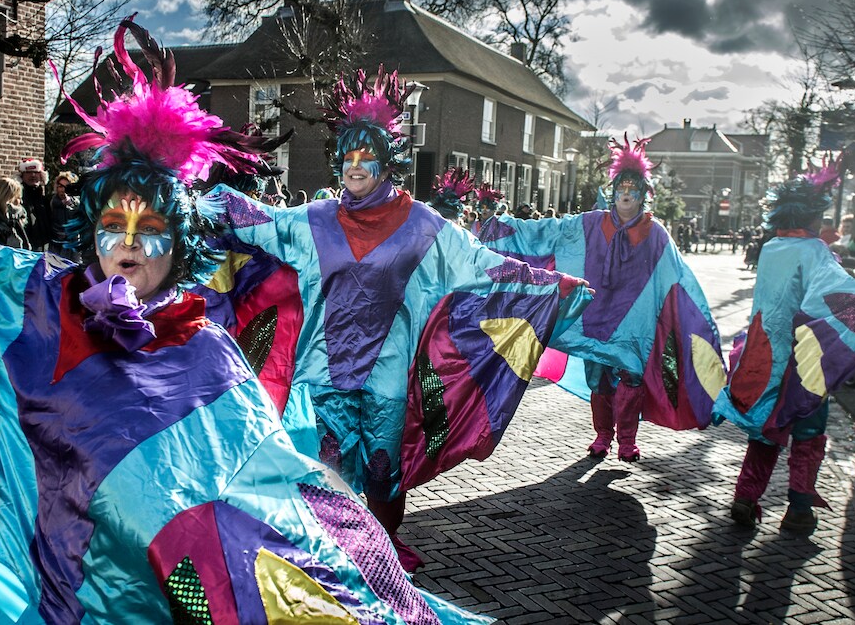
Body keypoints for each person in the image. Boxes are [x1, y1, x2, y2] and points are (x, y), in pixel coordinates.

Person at [0, 30, 485, 625]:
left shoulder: (209, 351)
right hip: (63, 579)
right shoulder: (34, 301)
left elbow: (269, 477)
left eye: (152, 228)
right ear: (88, 233)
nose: (128, 243)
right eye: (112, 225)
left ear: (179, 245)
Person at [196, 65, 593, 571]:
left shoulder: (423, 226)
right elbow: (255, 222)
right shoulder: (311, 221)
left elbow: (481, 265)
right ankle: (336, 555)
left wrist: (550, 283)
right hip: (322, 374)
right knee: (324, 470)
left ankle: (383, 549)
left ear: (387, 163)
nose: (355, 166)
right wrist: (195, 202)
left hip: (387, 378)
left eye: (368, 157)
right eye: (348, 157)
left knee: (385, 474)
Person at [480, 135, 726, 462]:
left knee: (631, 376)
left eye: (633, 191)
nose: (626, 196)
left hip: (635, 324)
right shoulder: (591, 222)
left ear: (643, 195)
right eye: (621, 190)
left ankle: (627, 441)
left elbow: (677, 278)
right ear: (613, 193)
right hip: (595, 317)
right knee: (598, 380)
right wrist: (502, 226)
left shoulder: (656, 234)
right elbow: (549, 231)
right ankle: (602, 436)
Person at [716, 160, 855, 534]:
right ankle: (798, 509)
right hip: (804, 355)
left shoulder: (772, 247)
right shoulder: (815, 251)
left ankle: (745, 497)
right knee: (808, 428)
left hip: (763, 353)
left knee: (765, 428)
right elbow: (827, 296)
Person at [18, 158, 52, 251]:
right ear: (22, 176)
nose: (33, 175)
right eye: (28, 172)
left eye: (36, 172)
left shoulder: (46, 202)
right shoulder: (18, 200)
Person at [49, 170, 81, 261]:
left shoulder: (76, 202)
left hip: (73, 243)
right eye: (60, 186)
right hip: (56, 243)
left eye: (66, 186)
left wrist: (70, 204)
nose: (63, 189)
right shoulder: (52, 202)